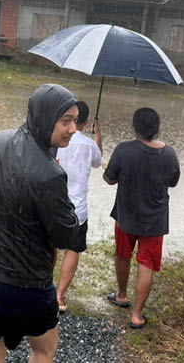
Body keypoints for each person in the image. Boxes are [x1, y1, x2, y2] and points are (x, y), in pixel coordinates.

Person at [0, 83, 85, 363]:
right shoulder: (50, 174)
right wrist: (68, 206)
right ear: (44, 117)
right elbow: (66, 235)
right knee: (44, 348)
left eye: (75, 120)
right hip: (25, 286)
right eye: (65, 120)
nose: (73, 129)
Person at [103, 107, 179, 329]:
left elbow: (109, 179)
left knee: (122, 254)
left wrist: (108, 168)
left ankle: (122, 295)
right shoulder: (169, 154)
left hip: (126, 215)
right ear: (156, 128)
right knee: (146, 263)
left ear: (134, 126)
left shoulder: (123, 150)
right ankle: (136, 316)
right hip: (154, 221)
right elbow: (173, 182)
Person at [55, 100, 103, 312]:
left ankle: (44, 288)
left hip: (55, 203)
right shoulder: (89, 144)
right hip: (78, 208)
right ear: (85, 121)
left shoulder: (56, 138)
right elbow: (98, 160)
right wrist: (97, 135)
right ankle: (59, 295)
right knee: (73, 249)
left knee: (51, 245)